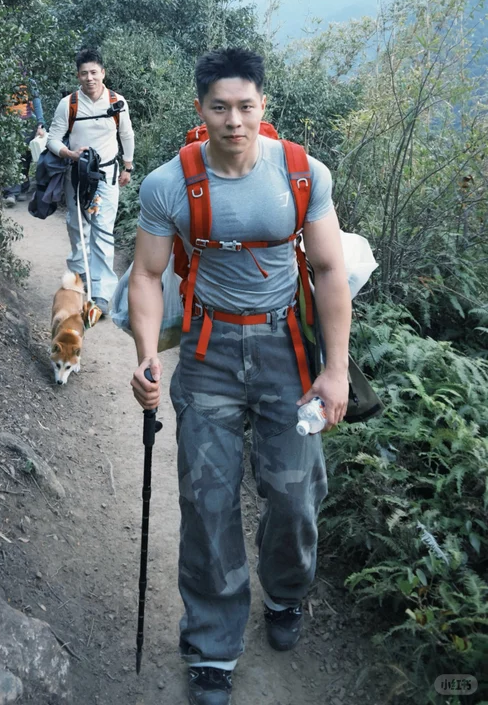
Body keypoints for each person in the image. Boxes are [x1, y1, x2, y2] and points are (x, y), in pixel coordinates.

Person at [128, 48, 351, 705]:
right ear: (200, 109)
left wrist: (335, 371)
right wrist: (145, 353)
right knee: (207, 499)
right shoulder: (169, 184)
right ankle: (212, 643)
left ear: (264, 107)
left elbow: (330, 271)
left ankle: (285, 591)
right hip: (207, 350)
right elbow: (146, 274)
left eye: (246, 106)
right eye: (220, 107)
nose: (234, 119)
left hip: (290, 351)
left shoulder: (303, 174)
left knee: (296, 491)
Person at [47, 50, 135, 320]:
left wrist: (128, 166)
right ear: (78, 76)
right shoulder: (69, 104)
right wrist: (69, 154)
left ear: (103, 73)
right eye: (84, 73)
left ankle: (101, 294)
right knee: (77, 226)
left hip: (107, 175)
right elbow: (53, 139)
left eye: (94, 72)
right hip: (77, 174)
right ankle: (79, 271)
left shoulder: (117, 102)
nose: (89, 78)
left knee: (103, 231)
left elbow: (126, 134)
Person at [3, 80, 46, 207]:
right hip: (8, 123)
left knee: (25, 158)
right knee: (12, 157)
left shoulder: (29, 82)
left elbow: (36, 103)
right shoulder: (5, 79)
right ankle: (11, 192)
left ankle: (22, 187)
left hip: (26, 124)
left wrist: (40, 123)